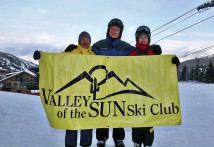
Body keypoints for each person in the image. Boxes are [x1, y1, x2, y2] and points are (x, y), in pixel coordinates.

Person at [33, 31, 95, 147]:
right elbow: (55, 59)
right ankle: (70, 144)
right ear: (79, 41)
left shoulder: (95, 54)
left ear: (90, 41)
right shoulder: (72, 52)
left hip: (89, 94)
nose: (85, 41)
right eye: (83, 39)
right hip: (73, 93)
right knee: (72, 119)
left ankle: (86, 144)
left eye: (87, 39)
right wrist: (41, 56)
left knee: (87, 121)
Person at [129, 25, 179, 147]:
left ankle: (148, 143)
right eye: (140, 37)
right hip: (135, 92)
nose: (143, 40)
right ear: (137, 39)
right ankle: (136, 142)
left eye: (145, 37)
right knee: (136, 117)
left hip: (152, 91)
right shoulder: (132, 54)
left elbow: (163, 69)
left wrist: (174, 64)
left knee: (149, 119)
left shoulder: (154, 52)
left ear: (149, 39)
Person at [92, 18, 136, 147]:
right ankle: (101, 137)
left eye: (117, 30)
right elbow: (85, 55)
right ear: (108, 30)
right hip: (102, 84)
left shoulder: (126, 47)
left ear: (120, 32)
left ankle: (119, 138)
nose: (114, 31)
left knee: (118, 110)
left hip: (118, 84)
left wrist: (154, 50)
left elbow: (142, 55)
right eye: (112, 29)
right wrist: (72, 50)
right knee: (102, 110)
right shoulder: (98, 45)